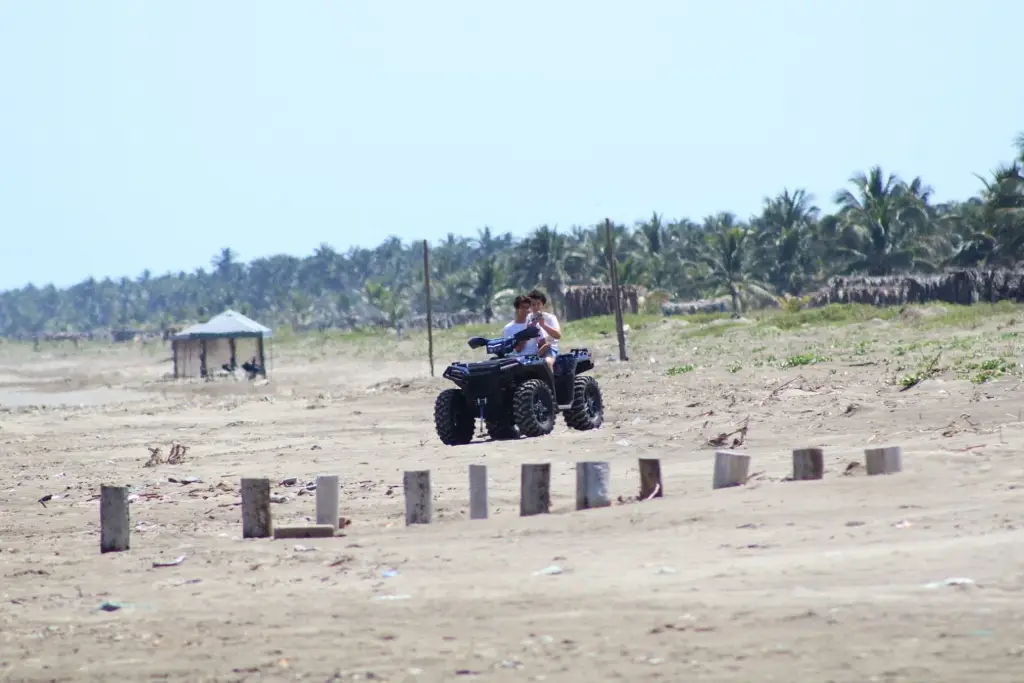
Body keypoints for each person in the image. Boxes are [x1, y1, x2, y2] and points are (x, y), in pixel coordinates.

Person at [527, 289, 561, 370]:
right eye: (533, 304)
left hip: (549, 348)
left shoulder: (550, 318)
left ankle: (551, 382)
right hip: (532, 349)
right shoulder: (527, 318)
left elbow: (558, 335)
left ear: (543, 305)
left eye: (538, 304)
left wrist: (543, 325)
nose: (536, 307)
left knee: (547, 362)